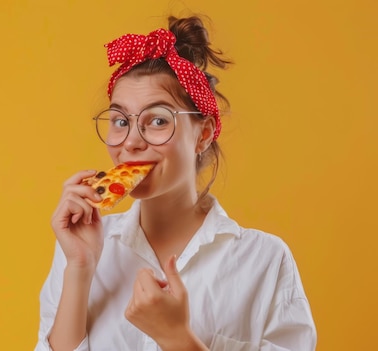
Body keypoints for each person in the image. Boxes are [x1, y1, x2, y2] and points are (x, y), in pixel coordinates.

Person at [34, 14, 317, 351]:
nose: (131, 142)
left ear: (204, 133)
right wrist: (80, 267)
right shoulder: (81, 248)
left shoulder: (263, 261)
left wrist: (176, 337)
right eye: (121, 120)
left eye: (157, 120)